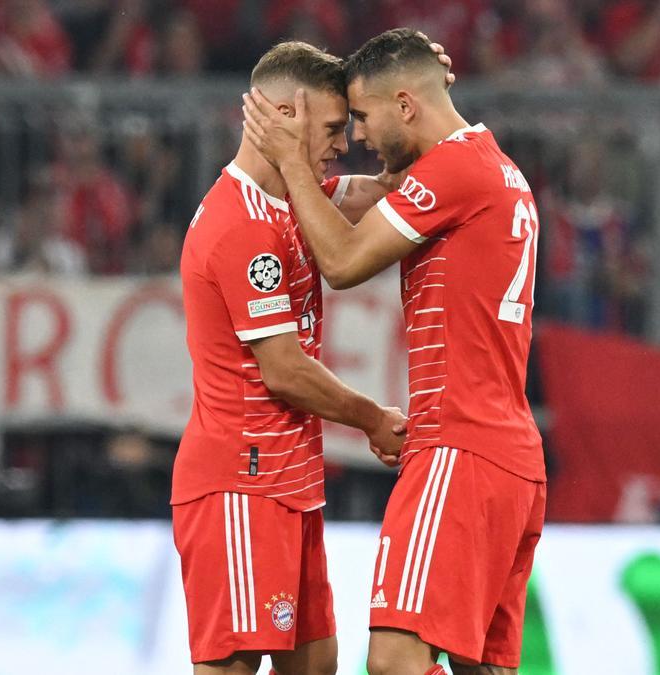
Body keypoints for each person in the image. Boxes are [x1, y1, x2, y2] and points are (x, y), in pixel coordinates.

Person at [241, 28, 545, 675]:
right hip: (512, 459)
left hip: (459, 448)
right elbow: (372, 195)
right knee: (481, 667)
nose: (356, 137)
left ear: (405, 105)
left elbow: (345, 260)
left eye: (361, 116)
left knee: (394, 659)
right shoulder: (493, 169)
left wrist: (293, 162)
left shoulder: (454, 170)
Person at [174, 40, 449, 675]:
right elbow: (283, 369)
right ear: (280, 117)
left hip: (289, 483)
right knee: (235, 666)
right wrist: (372, 418)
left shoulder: (292, 202)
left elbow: (381, 188)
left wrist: (426, 99)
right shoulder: (242, 226)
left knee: (317, 663)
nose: (343, 142)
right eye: (330, 128)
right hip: (240, 484)